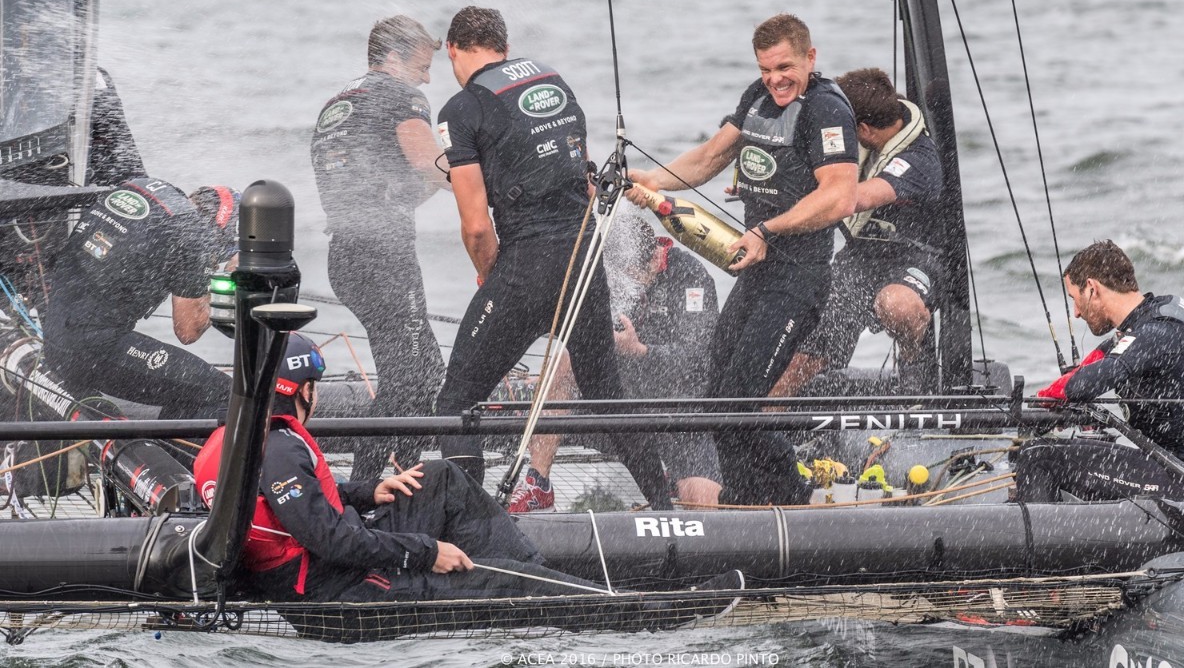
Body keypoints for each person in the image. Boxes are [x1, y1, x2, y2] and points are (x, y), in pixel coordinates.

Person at [192, 334, 744, 638]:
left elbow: (294, 500)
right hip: (342, 598)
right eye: (314, 385)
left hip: (328, 574)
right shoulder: (283, 446)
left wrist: (369, 490)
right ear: (302, 390)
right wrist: (426, 551)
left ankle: (538, 573)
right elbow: (330, 541)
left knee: (440, 479)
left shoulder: (240, 436)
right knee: (508, 586)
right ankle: (659, 617)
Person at [433, 6, 670, 510]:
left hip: (525, 265)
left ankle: (476, 530)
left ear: (453, 49)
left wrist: (491, 277)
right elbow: (583, 180)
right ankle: (667, 510)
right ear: (503, 44)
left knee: (457, 403)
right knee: (607, 399)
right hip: (584, 263)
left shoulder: (461, 108)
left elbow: (476, 225)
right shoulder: (552, 80)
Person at [626, 13, 858, 506]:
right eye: (766, 68)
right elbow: (711, 158)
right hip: (756, 274)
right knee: (718, 402)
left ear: (810, 58)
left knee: (739, 404)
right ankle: (745, 503)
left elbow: (839, 197)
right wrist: (651, 179)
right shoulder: (757, 96)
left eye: (785, 67)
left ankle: (794, 499)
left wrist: (768, 229)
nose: (775, 79)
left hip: (799, 280)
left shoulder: (827, 109)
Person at [311, 15, 451, 481]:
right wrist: (479, 166)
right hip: (383, 256)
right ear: (393, 58)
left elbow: (399, 189)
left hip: (348, 256)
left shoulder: (341, 101)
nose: (428, 78)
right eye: (423, 66)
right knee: (413, 378)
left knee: (422, 369)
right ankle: (372, 489)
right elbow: (433, 167)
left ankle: (393, 476)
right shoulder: (401, 95)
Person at [508, 212, 724, 511]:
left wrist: (641, 351)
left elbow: (698, 359)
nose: (623, 283)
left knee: (704, 500)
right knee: (564, 358)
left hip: (679, 413)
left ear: (651, 260)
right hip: (621, 404)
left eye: (629, 274)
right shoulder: (605, 272)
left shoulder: (690, 277)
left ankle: (671, 481)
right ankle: (538, 482)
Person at [1014, 240, 1184, 502]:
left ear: (1092, 288)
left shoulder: (1156, 332)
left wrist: (1061, 392)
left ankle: (1039, 542)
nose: (1076, 313)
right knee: (1077, 450)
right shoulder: (1158, 312)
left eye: (1075, 300)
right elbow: (1105, 353)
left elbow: (1084, 385)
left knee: (1038, 456)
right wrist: (1046, 399)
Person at [770, 67, 944, 400]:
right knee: (798, 357)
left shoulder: (921, 160)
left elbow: (853, 198)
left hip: (917, 259)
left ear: (861, 128)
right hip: (860, 258)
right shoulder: (874, 125)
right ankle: (761, 428)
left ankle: (912, 363)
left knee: (897, 304)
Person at [41, 178, 239, 419]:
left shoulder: (145, 189)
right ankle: (178, 453)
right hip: (90, 353)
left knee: (188, 383)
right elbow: (189, 331)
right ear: (218, 230)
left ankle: (169, 437)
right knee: (223, 392)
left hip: (53, 337)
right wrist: (231, 276)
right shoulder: (194, 236)